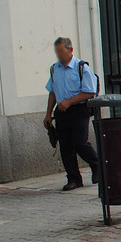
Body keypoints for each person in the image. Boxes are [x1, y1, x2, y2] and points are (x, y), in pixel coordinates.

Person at [43, 37, 99, 190]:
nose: (59, 55)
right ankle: (73, 179)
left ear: (70, 50)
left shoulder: (81, 67)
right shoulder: (55, 69)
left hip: (79, 110)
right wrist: (48, 114)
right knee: (66, 147)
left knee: (80, 142)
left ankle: (98, 166)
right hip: (61, 112)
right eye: (57, 52)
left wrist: (70, 101)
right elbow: (52, 92)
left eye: (61, 51)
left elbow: (90, 92)